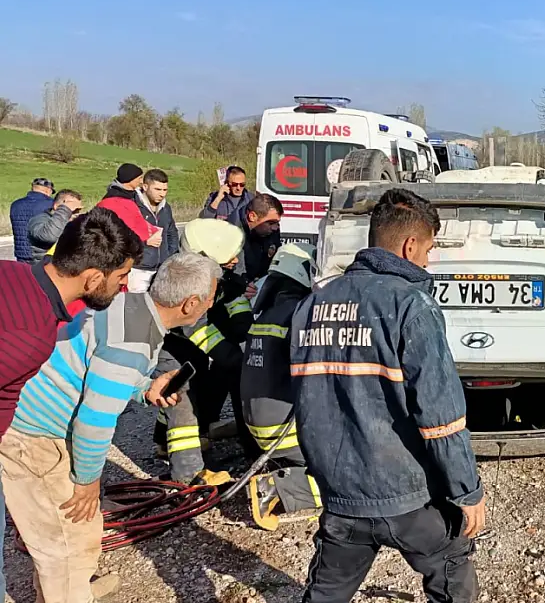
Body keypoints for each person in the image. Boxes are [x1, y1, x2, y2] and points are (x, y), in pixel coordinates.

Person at [293, 188, 485, 603]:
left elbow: (306, 399)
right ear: (410, 245)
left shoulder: (312, 305)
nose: (428, 260)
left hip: (341, 496)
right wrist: (467, 492)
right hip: (407, 496)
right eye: (429, 250)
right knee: (452, 568)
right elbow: (440, 416)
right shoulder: (411, 305)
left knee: (326, 592)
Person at [1, 252, 221, 603]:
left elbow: (100, 372)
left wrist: (144, 389)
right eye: (211, 298)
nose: (211, 304)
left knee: (81, 530)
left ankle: (74, 590)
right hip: (34, 436)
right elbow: (94, 421)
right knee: (59, 540)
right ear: (190, 303)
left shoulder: (131, 306)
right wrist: (87, 481)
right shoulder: (132, 344)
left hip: (48, 425)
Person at [0, 207, 143, 601]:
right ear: (93, 278)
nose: (123, 286)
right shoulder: (32, 334)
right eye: (121, 277)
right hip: (22, 439)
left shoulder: (10, 273)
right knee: (59, 548)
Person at [153, 218, 257, 483]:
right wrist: (242, 361)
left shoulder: (219, 279)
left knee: (214, 381)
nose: (234, 260)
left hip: (196, 350)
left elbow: (234, 303)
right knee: (180, 403)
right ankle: (188, 475)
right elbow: (201, 331)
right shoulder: (185, 284)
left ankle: (195, 436)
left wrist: (249, 331)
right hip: (172, 349)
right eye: (226, 259)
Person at [242, 243, 320, 530]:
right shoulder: (300, 314)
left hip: (259, 430)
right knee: (353, 478)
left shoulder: (265, 313)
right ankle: (273, 491)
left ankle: (288, 471)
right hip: (285, 435)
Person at [132, 169, 181, 292]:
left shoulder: (166, 207)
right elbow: (124, 236)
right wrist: (143, 244)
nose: (162, 194)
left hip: (162, 269)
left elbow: (171, 232)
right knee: (137, 307)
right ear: (145, 186)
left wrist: (171, 256)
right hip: (138, 270)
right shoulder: (133, 207)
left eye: (165, 190)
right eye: (157, 189)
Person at [229, 193, 284, 281]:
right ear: (252, 217)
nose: (275, 228)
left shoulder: (272, 228)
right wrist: (245, 285)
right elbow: (237, 271)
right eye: (271, 223)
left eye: (277, 223)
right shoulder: (232, 231)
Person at [27, 189, 83, 263]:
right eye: (73, 210)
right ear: (57, 207)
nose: (76, 214)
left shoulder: (73, 223)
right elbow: (49, 236)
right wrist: (65, 210)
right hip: (43, 268)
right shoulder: (39, 219)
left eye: (78, 211)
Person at [10, 177, 55, 263]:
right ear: (48, 190)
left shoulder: (16, 204)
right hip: (42, 254)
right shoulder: (51, 204)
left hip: (21, 254)